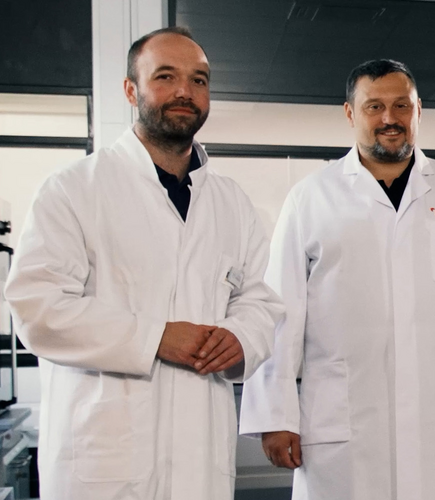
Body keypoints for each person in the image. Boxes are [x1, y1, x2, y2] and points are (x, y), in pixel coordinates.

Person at [2, 26, 283, 500]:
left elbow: (259, 299)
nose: (184, 91)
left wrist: (241, 336)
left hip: (200, 460)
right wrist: (155, 336)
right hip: (104, 461)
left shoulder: (231, 202)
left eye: (198, 80)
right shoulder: (74, 189)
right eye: (165, 76)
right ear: (131, 90)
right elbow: (38, 309)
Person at [238, 59, 435, 499]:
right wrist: (275, 416)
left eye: (401, 106)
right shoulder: (311, 198)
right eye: (374, 106)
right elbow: (279, 313)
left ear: (419, 111)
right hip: (340, 423)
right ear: (350, 113)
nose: (389, 118)